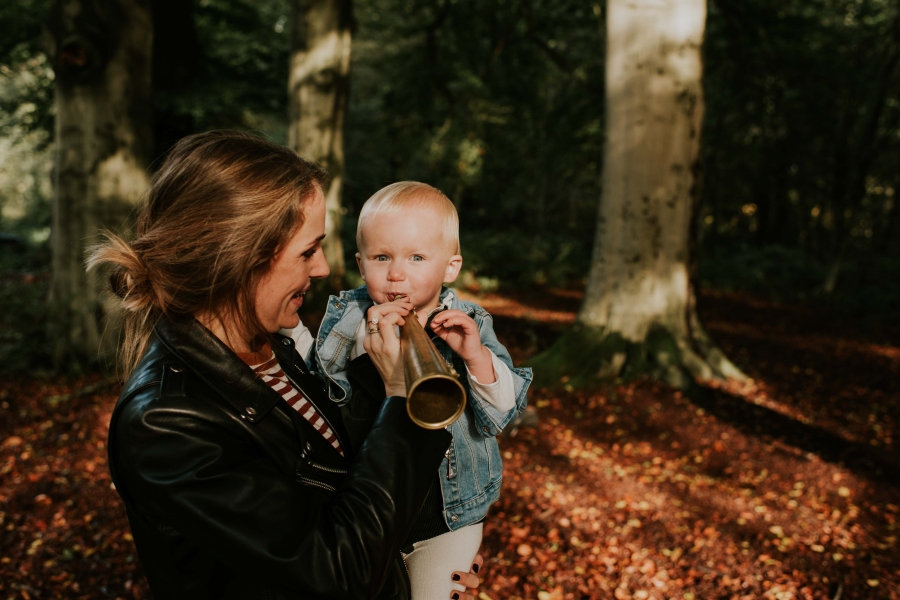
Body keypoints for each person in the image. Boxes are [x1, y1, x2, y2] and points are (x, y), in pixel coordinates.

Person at [88, 131, 484, 599]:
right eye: (307, 250)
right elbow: (335, 575)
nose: (320, 269)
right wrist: (401, 398)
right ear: (242, 258)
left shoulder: (269, 347)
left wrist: (430, 560)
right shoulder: (168, 424)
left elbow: (346, 487)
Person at [285, 182, 532, 600]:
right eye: (382, 257)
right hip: (369, 509)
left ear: (450, 267)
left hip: (449, 518)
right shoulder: (351, 318)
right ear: (362, 265)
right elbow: (317, 379)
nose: (396, 273)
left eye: (416, 258)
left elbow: (502, 412)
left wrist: (475, 359)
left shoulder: (468, 323)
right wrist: (314, 332)